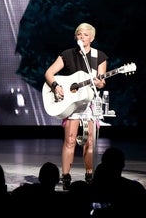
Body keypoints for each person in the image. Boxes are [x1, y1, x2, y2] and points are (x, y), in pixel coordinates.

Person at [44, 22, 108, 189]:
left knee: (89, 142)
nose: (82, 37)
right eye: (79, 34)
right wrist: (56, 86)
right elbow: (49, 73)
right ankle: (65, 177)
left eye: (85, 35)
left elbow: (101, 84)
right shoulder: (67, 54)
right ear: (75, 37)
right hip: (72, 103)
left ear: (92, 38)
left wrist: (99, 83)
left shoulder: (98, 56)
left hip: (89, 103)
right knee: (70, 140)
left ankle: (89, 175)